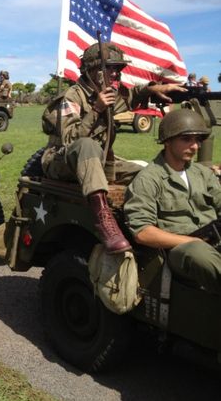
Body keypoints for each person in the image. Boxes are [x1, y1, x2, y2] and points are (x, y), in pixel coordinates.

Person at [41, 42, 185, 253]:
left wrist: (153, 89)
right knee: (87, 144)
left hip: (97, 163)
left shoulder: (110, 93)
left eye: (119, 69)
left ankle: (156, 222)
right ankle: (103, 218)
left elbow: (132, 96)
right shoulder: (73, 96)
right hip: (61, 161)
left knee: (146, 174)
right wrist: (96, 109)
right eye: (111, 68)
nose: (116, 73)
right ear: (92, 70)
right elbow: (70, 141)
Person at [124, 109, 221, 294]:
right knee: (199, 255)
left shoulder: (202, 174)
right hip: (179, 249)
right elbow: (142, 232)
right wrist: (191, 240)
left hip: (212, 237)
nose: (195, 146)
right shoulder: (149, 179)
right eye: (186, 139)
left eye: (197, 140)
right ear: (168, 141)